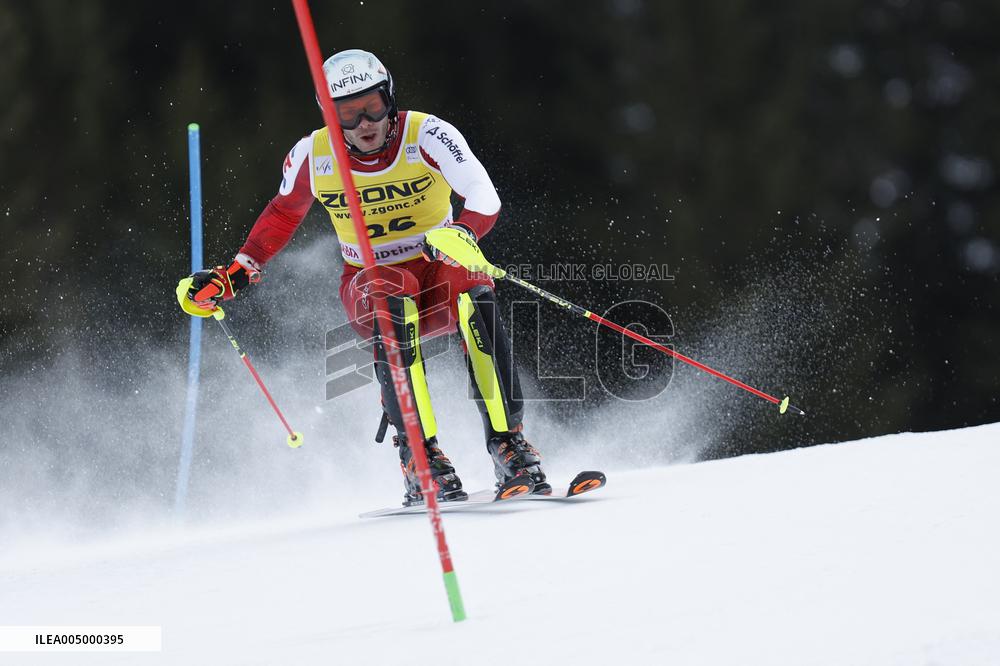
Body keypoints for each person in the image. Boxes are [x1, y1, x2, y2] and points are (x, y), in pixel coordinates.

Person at [177, 49, 549, 505]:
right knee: (391, 294)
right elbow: (282, 215)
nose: (364, 124)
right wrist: (235, 273)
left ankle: (509, 446)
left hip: (436, 268)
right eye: (347, 114)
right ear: (328, 115)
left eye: (372, 106)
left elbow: (482, 192)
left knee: (475, 292)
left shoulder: (426, 133)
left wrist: (463, 231)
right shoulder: (314, 154)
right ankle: (420, 458)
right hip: (370, 281)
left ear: (389, 99)